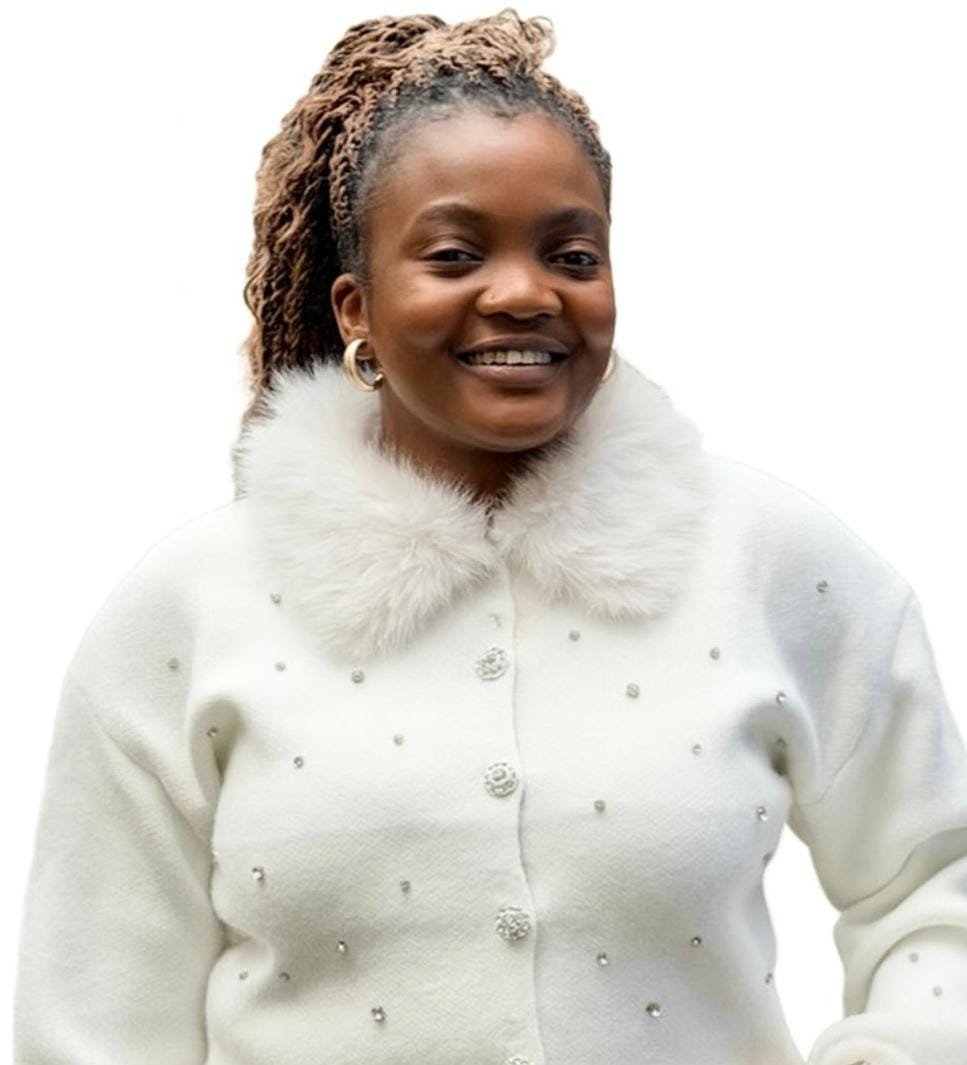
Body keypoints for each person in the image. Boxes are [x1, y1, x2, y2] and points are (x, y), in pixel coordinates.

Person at [13, 9, 967, 1065]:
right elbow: (93, 1017)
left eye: (572, 253)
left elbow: (933, 881)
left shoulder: (778, 564)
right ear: (355, 308)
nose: (522, 293)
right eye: (454, 254)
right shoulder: (189, 609)